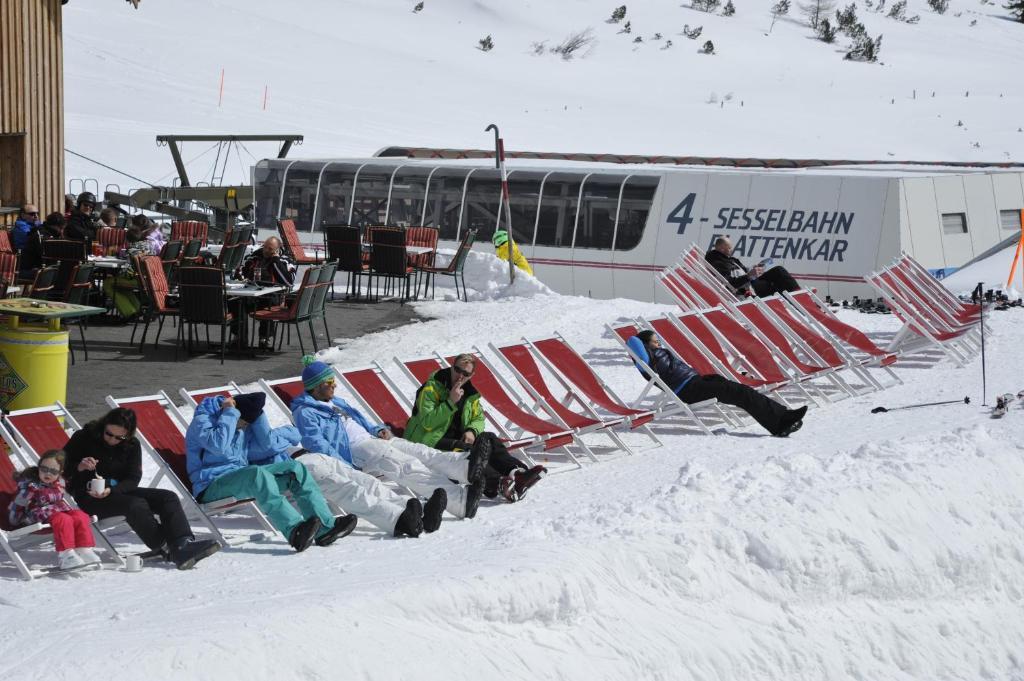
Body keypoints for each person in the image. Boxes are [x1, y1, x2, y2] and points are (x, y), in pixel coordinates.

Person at [291, 356, 487, 520]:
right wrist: (344, 465)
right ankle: (459, 502)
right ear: (315, 387)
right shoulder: (305, 412)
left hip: (372, 440)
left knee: (420, 452)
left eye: (333, 380)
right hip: (355, 450)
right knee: (407, 465)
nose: (334, 385)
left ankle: (464, 467)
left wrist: (378, 430)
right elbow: (316, 444)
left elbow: (360, 421)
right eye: (329, 382)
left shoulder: (336, 401)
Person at [185, 392, 357, 552]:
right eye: (243, 422)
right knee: (255, 473)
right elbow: (219, 446)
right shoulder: (202, 422)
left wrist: (257, 417)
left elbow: (267, 444)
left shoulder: (240, 427)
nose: (244, 428)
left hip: (241, 479)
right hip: (210, 485)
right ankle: (294, 530)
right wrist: (230, 412)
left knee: (295, 469)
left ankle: (326, 528)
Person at [63, 408, 222, 569]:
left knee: (168, 497)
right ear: (103, 425)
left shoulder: (131, 445)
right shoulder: (84, 437)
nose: (112, 440)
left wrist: (113, 490)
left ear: (128, 434)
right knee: (135, 504)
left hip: (116, 490)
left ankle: (183, 543)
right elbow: (59, 466)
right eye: (108, 434)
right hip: (89, 496)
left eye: (119, 437)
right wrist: (79, 466)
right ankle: (169, 547)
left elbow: (133, 478)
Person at [404, 353, 547, 503]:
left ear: (471, 375)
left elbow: (478, 418)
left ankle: (517, 475)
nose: (460, 376)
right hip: (426, 440)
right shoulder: (431, 389)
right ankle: (498, 483)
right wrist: (450, 402)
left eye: (465, 373)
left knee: (489, 439)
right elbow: (427, 423)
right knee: (467, 451)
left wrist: (471, 431)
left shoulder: (469, 394)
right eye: (458, 370)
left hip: (456, 439)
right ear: (452, 367)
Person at [628, 330, 807, 437]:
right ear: (645, 344)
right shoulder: (644, 359)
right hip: (689, 390)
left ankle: (782, 417)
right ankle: (781, 422)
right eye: (654, 340)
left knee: (740, 390)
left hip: (697, 381)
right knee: (741, 393)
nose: (659, 342)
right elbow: (632, 342)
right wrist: (637, 339)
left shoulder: (657, 353)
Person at [7, 450, 103, 571]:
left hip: (56, 514)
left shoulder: (59, 483)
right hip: (36, 517)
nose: (47, 473)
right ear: (38, 468)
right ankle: (66, 555)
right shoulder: (30, 486)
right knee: (63, 518)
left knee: (80, 515)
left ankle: (84, 549)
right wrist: (14, 522)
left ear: (60, 473)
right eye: (44, 469)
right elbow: (17, 505)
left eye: (53, 471)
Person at [238, 236, 296, 349]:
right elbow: (241, 272)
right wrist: (242, 275)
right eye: (265, 247)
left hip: (273, 294)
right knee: (237, 302)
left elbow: (288, 282)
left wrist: (275, 261)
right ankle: (240, 338)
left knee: (269, 301)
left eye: (270, 249)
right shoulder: (254, 256)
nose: (266, 251)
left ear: (277, 250)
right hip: (252, 291)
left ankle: (264, 338)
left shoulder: (285, 260)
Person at [705, 236, 800, 298]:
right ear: (721, 248)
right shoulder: (718, 263)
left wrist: (755, 269)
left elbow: (744, 270)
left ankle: (797, 295)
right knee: (779, 280)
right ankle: (798, 299)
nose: (731, 250)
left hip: (751, 281)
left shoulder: (730, 260)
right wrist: (749, 276)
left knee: (778, 271)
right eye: (729, 248)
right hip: (747, 290)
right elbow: (731, 284)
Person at [18, 212, 65, 278]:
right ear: (56, 226)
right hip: (28, 270)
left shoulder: (49, 234)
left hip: (37, 267)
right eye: (61, 228)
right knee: (59, 273)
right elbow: (46, 255)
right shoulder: (41, 235)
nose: (62, 231)